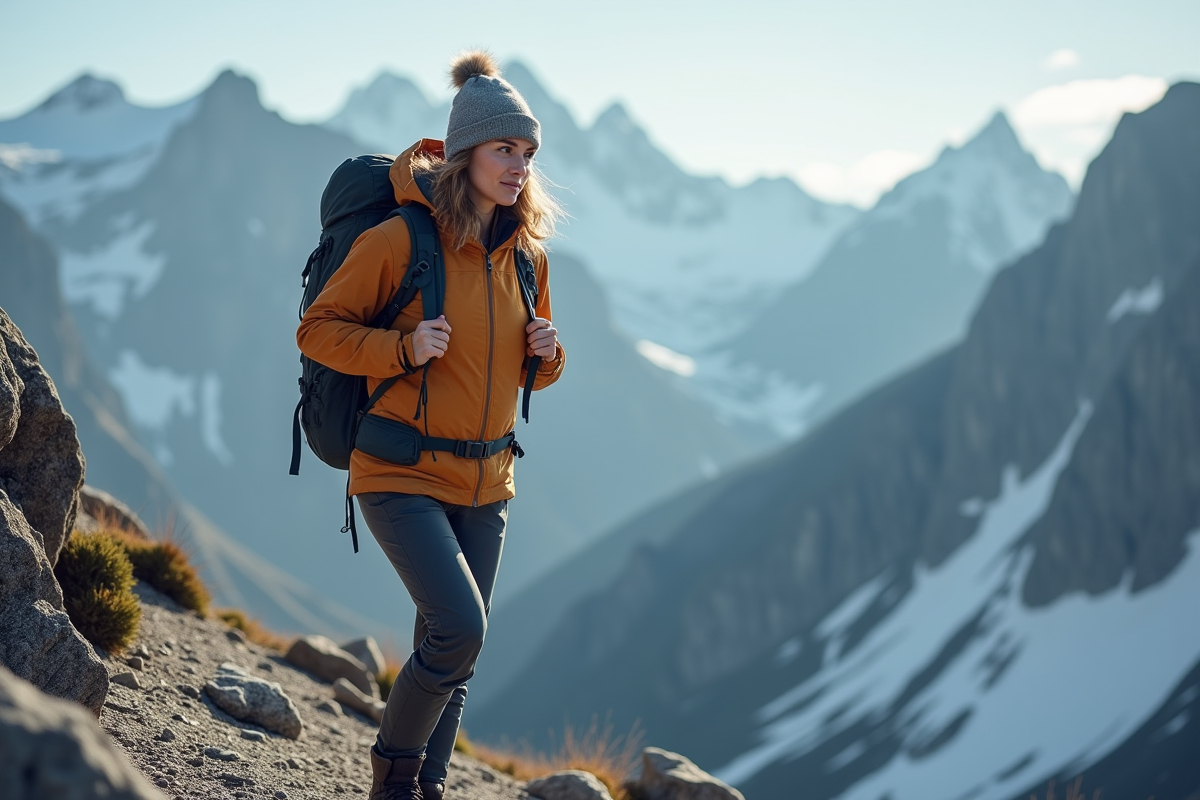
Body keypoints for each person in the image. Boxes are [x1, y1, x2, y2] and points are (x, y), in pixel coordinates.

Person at [296, 50, 565, 800]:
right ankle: (394, 783)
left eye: (528, 152)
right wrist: (402, 347)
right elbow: (318, 331)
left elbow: (530, 372)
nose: (519, 166)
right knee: (460, 631)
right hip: (399, 470)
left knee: (454, 653)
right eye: (504, 149)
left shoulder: (528, 260)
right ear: (464, 153)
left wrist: (548, 353)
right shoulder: (401, 241)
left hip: (488, 481)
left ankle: (430, 788)